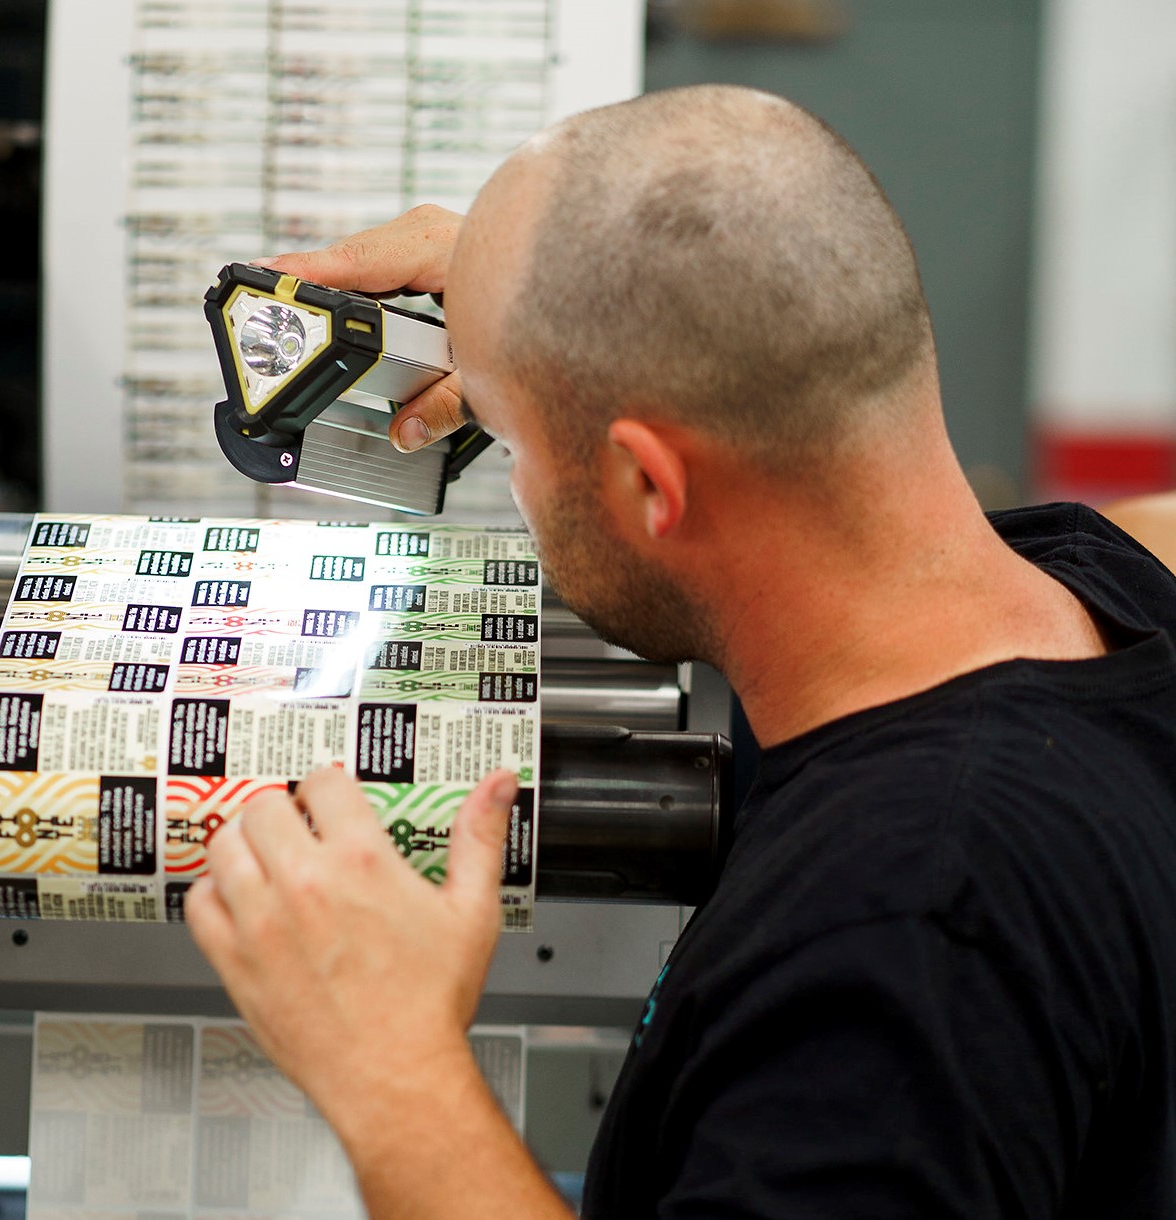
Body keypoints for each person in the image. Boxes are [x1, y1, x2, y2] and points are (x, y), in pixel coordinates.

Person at [183, 84, 1176, 1219]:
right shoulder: (1105, 577)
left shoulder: (899, 940)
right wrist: (543, 310)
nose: (505, 472)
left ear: (649, 484)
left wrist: (393, 1073)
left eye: (505, 438)